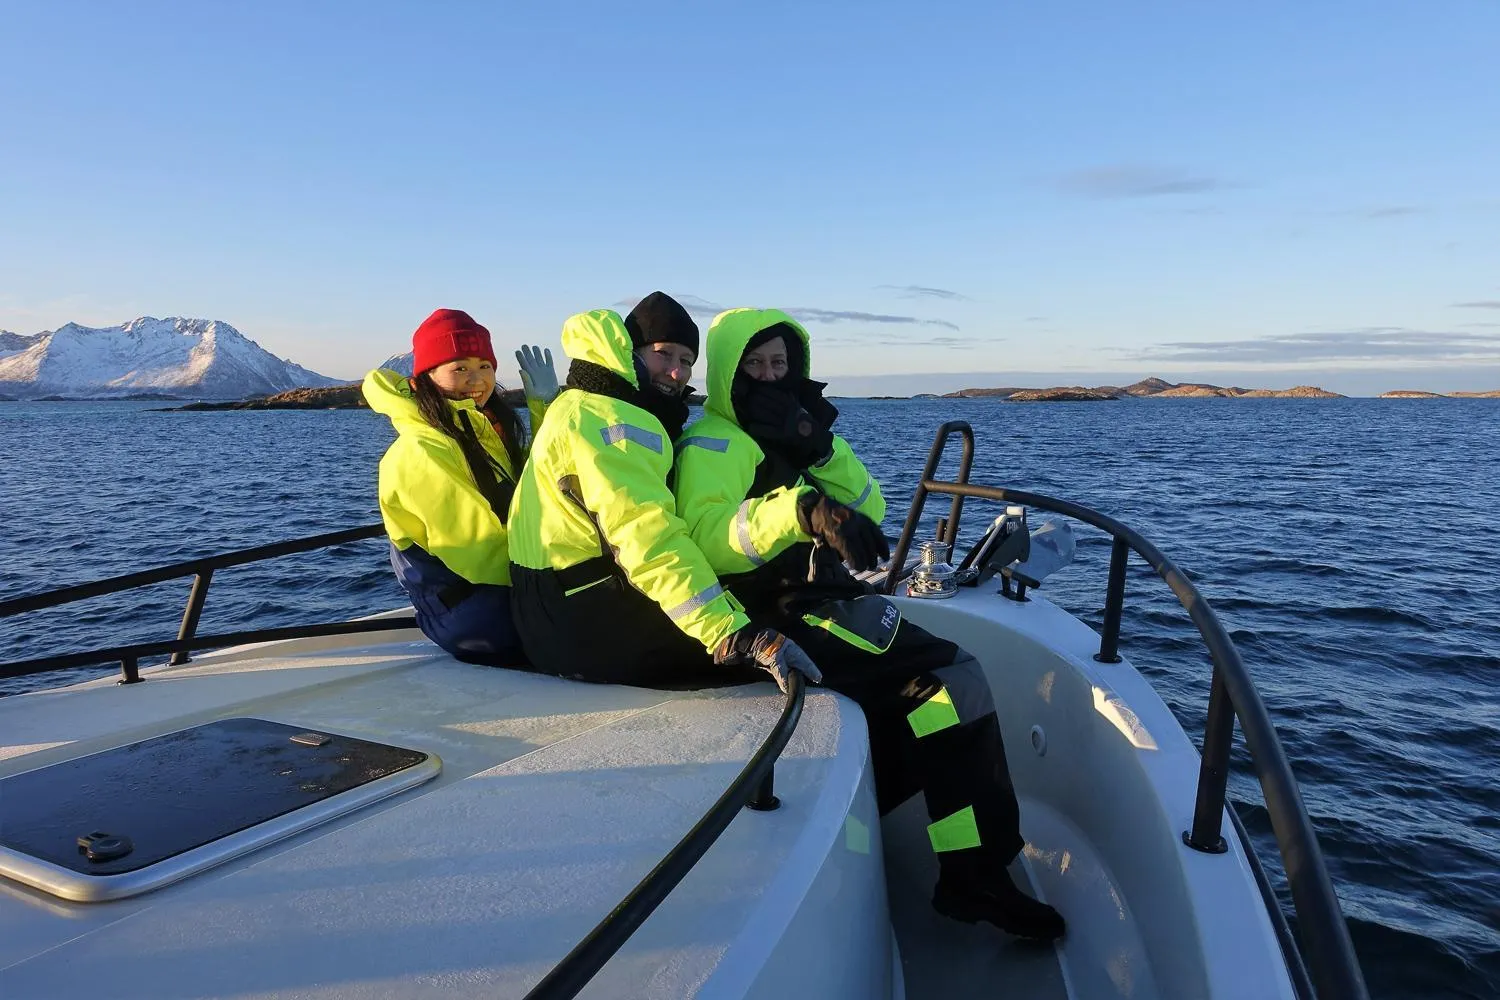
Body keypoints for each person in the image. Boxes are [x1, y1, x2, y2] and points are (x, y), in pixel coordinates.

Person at [672, 307, 1066, 941]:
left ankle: (964, 864)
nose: (772, 377)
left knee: (946, 692)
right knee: (953, 680)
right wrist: (798, 511)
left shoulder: (792, 431)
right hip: (778, 609)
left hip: (824, 597)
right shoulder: (715, 443)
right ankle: (974, 874)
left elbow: (874, 505)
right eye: (756, 365)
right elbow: (706, 541)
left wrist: (820, 449)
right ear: (728, 373)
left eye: (782, 364)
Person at [506, 292, 821, 691]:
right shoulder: (616, 422)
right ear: (630, 353)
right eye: (664, 354)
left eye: (686, 361)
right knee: (796, 642)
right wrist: (731, 633)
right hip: (583, 626)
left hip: (549, 609)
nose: (676, 373)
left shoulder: (581, 403)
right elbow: (646, 536)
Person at [363, 308, 558, 665]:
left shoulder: (483, 430)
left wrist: (544, 406)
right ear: (427, 377)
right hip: (472, 614)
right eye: (460, 368)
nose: (477, 379)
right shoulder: (421, 450)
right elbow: (480, 553)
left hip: (507, 592)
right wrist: (565, 572)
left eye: (485, 366)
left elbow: (538, 480)